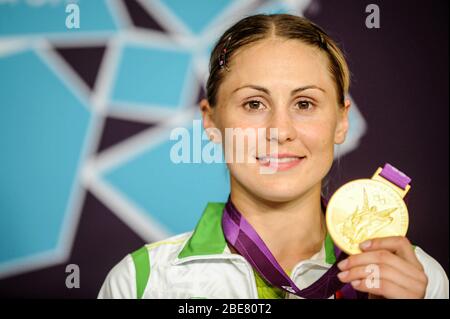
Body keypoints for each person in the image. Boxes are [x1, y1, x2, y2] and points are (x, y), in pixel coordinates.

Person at [98, 13, 448, 299]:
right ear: (211, 121)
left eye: (305, 103)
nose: (280, 130)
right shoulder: (141, 283)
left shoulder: (418, 278)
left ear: (342, 121)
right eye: (253, 104)